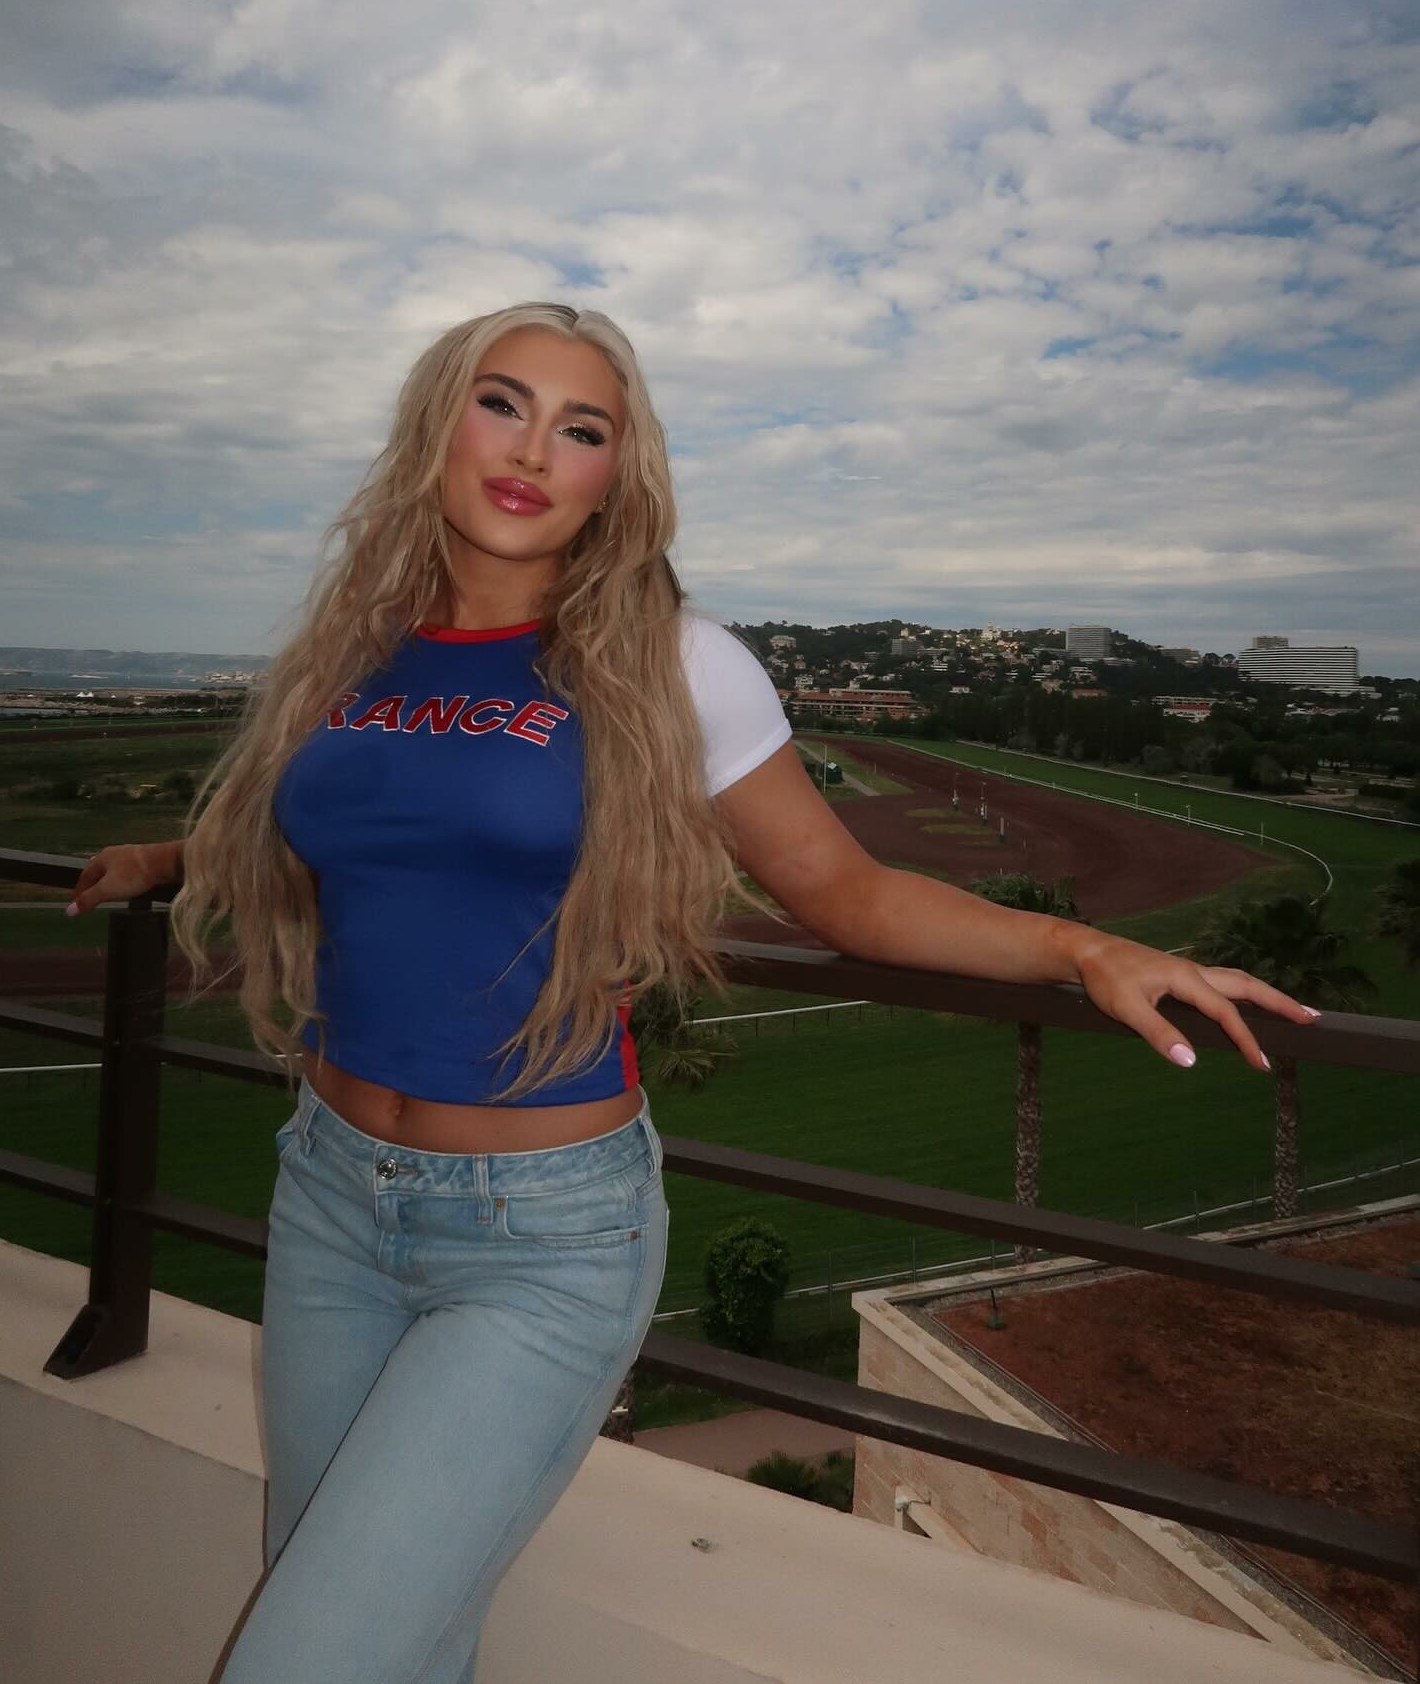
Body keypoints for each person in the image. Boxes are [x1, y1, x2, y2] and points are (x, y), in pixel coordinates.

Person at [69, 302, 1320, 1682]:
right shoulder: (354, 650)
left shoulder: (669, 661)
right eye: (502, 403)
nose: (532, 450)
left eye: (581, 428)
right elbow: (346, 829)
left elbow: (842, 892)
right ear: (438, 422)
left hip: (541, 1238)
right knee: (398, 1645)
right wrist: (166, 859)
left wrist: (1079, 950)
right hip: (330, 1196)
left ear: (617, 473)